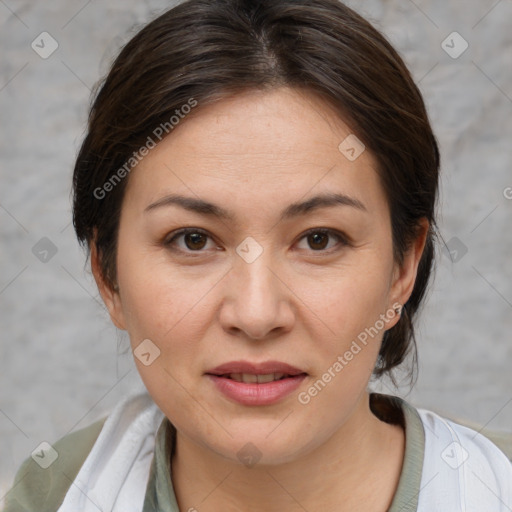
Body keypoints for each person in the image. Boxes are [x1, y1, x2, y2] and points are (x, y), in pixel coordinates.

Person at [4, 0, 512, 511]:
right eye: (193, 239)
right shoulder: (51, 495)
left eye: (319, 239)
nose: (256, 314)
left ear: (404, 267)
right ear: (107, 274)